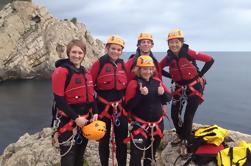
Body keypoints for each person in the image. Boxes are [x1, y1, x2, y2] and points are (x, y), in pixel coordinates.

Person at [159, 29, 214, 154]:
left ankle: (186, 141)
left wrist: (200, 74)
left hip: (194, 87)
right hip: (179, 88)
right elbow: (159, 68)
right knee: (174, 114)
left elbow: (210, 60)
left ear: (182, 42)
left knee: (188, 116)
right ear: (168, 44)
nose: (174, 45)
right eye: (171, 42)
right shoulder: (168, 58)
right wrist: (170, 76)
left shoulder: (189, 53)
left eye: (176, 42)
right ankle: (181, 134)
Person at [51, 39, 98, 166]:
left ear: (84, 54)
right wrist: (76, 118)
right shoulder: (61, 72)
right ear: (68, 53)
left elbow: (91, 96)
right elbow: (59, 100)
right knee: (68, 158)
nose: (77, 56)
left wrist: (96, 112)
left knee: (80, 155)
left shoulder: (86, 72)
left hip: (85, 121)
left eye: (80, 53)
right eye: (74, 52)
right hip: (68, 121)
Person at [125, 55, 172, 166]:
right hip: (139, 126)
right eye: (144, 69)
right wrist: (139, 94)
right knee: (136, 155)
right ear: (139, 69)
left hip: (157, 125)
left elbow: (168, 98)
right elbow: (128, 106)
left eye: (150, 69)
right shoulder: (133, 84)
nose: (148, 71)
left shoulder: (157, 81)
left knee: (150, 155)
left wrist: (163, 94)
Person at [90, 35, 128, 166]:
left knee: (122, 140)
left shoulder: (123, 65)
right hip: (102, 108)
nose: (116, 51)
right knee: (103, 141)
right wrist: (93, 109)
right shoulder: (99, 64)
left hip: (120, 109)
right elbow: (89, 88)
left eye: (119, 49)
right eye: (113, 48)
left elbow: (129, 85)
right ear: (107, 48)